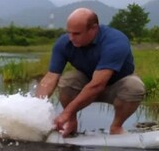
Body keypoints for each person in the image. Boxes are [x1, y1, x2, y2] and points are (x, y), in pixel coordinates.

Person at [35, 8, 145, 137]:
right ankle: (72, 122)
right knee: (68, 80)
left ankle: (116, 127)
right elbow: (50, 78)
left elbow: (97, 85)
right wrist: (35, 109)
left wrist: (65, 114)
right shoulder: (63, 43)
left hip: (116, 85)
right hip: (86, 81)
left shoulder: (115, 41)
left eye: (76, 33)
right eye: (69, 33)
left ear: (93, 29)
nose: (71, 38)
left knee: (134, 86)